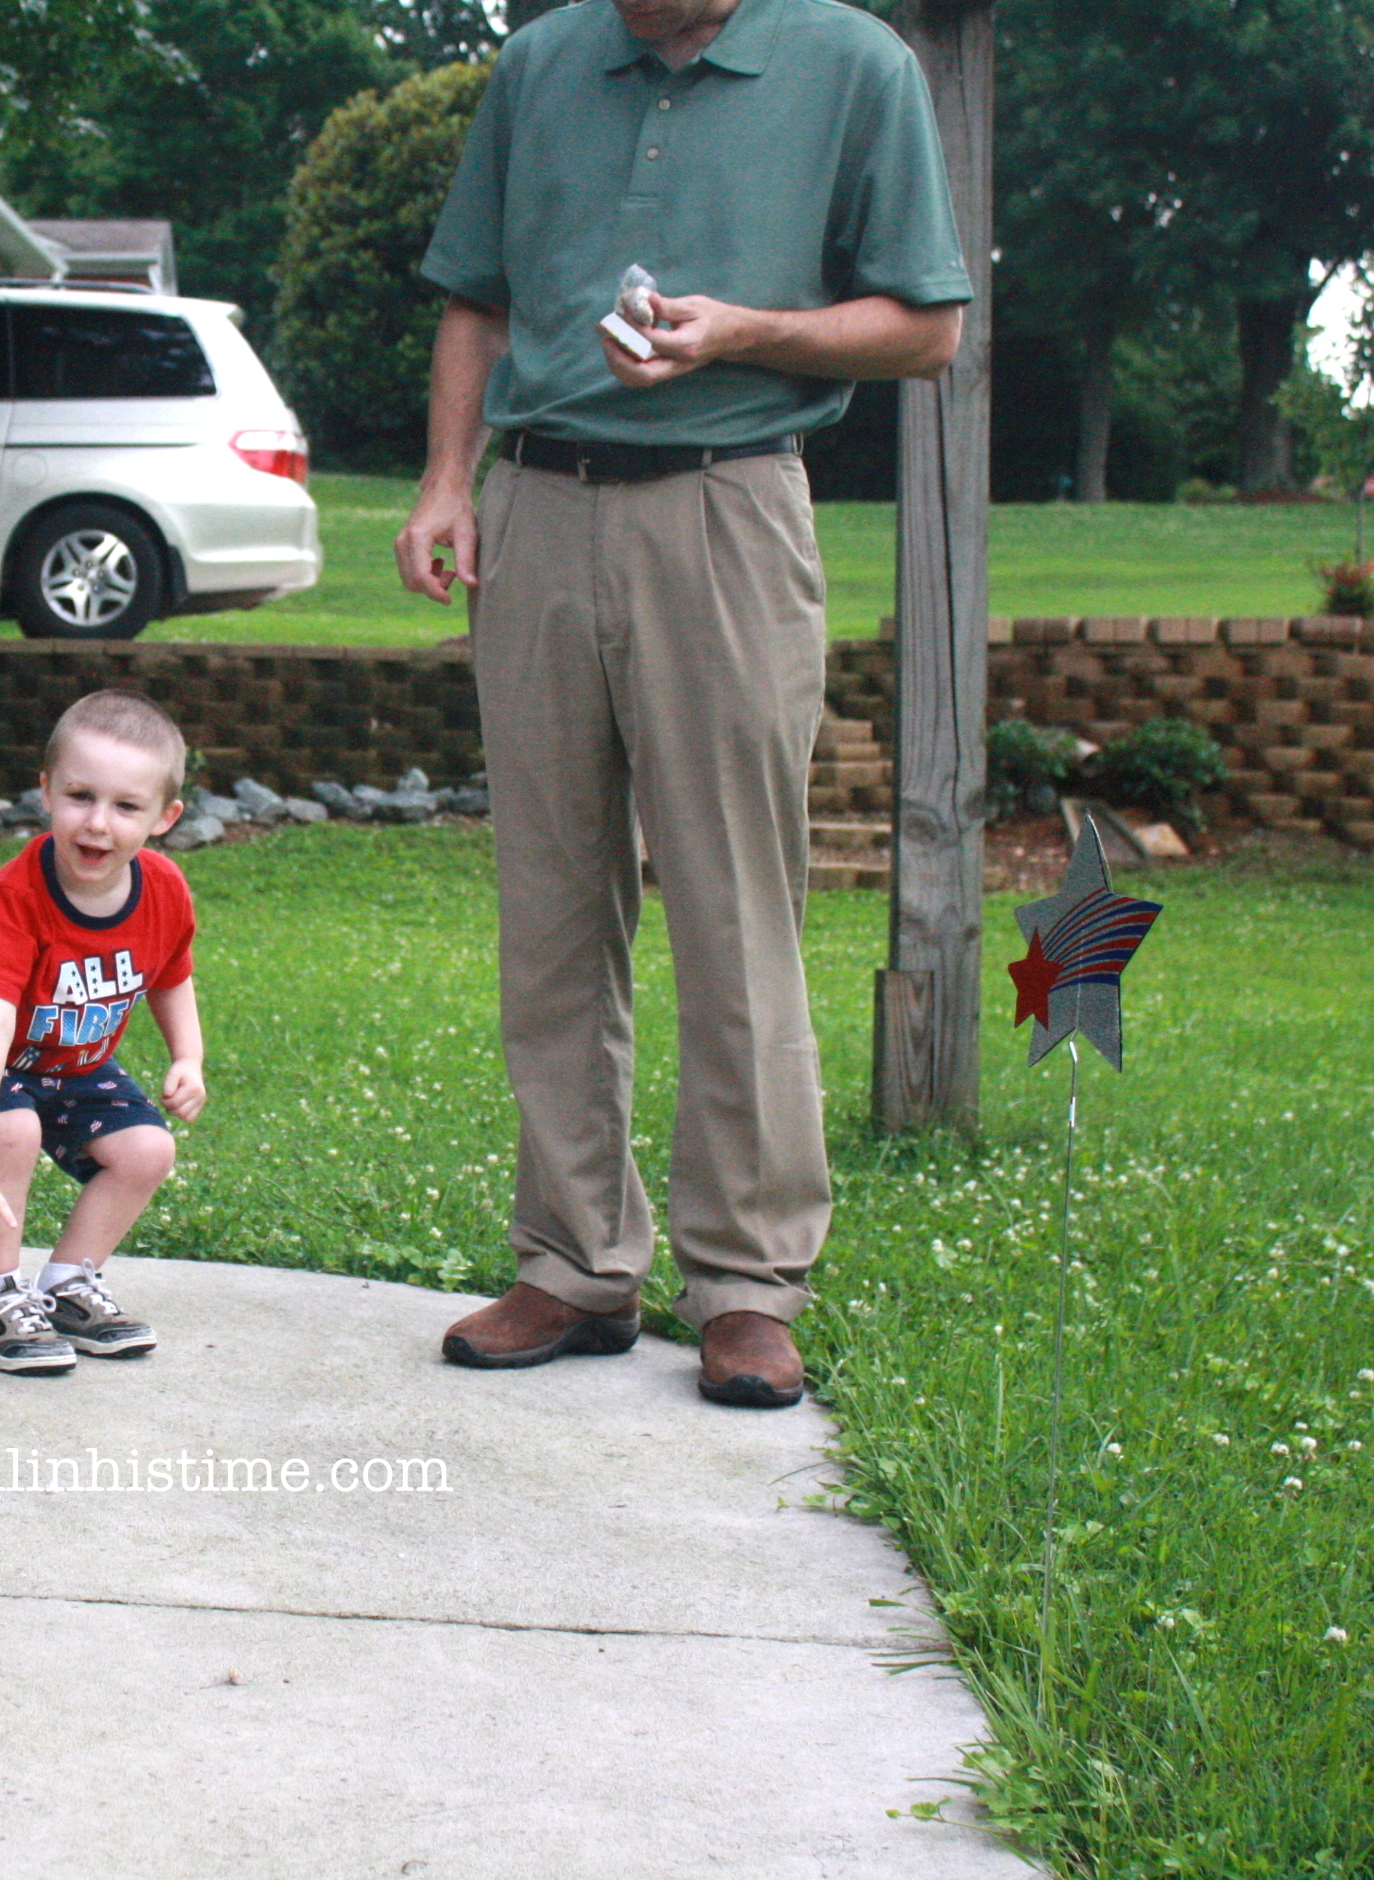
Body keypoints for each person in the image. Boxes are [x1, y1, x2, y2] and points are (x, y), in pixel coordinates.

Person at [396, 0, 970, 1405]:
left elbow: (928, 329)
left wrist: (745, 331)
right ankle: (574, 1264)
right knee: (548, 910)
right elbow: (477, 295)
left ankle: (750, 1284)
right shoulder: (538, 64)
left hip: (727, 502)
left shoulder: (855, 65)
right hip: (535, 503)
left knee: (733, 911)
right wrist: (448, 481)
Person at [0, 691, 207, 1374]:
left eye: (126, 807)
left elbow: (171, 973)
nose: (98, 824)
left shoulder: (163, 890)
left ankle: (69, 1285)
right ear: (45, 792)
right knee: (12, 1131)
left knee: (146, 1150)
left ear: (165, 817)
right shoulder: (15, 898)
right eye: (79, 796)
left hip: (70, 1062)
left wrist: (188, 1055)